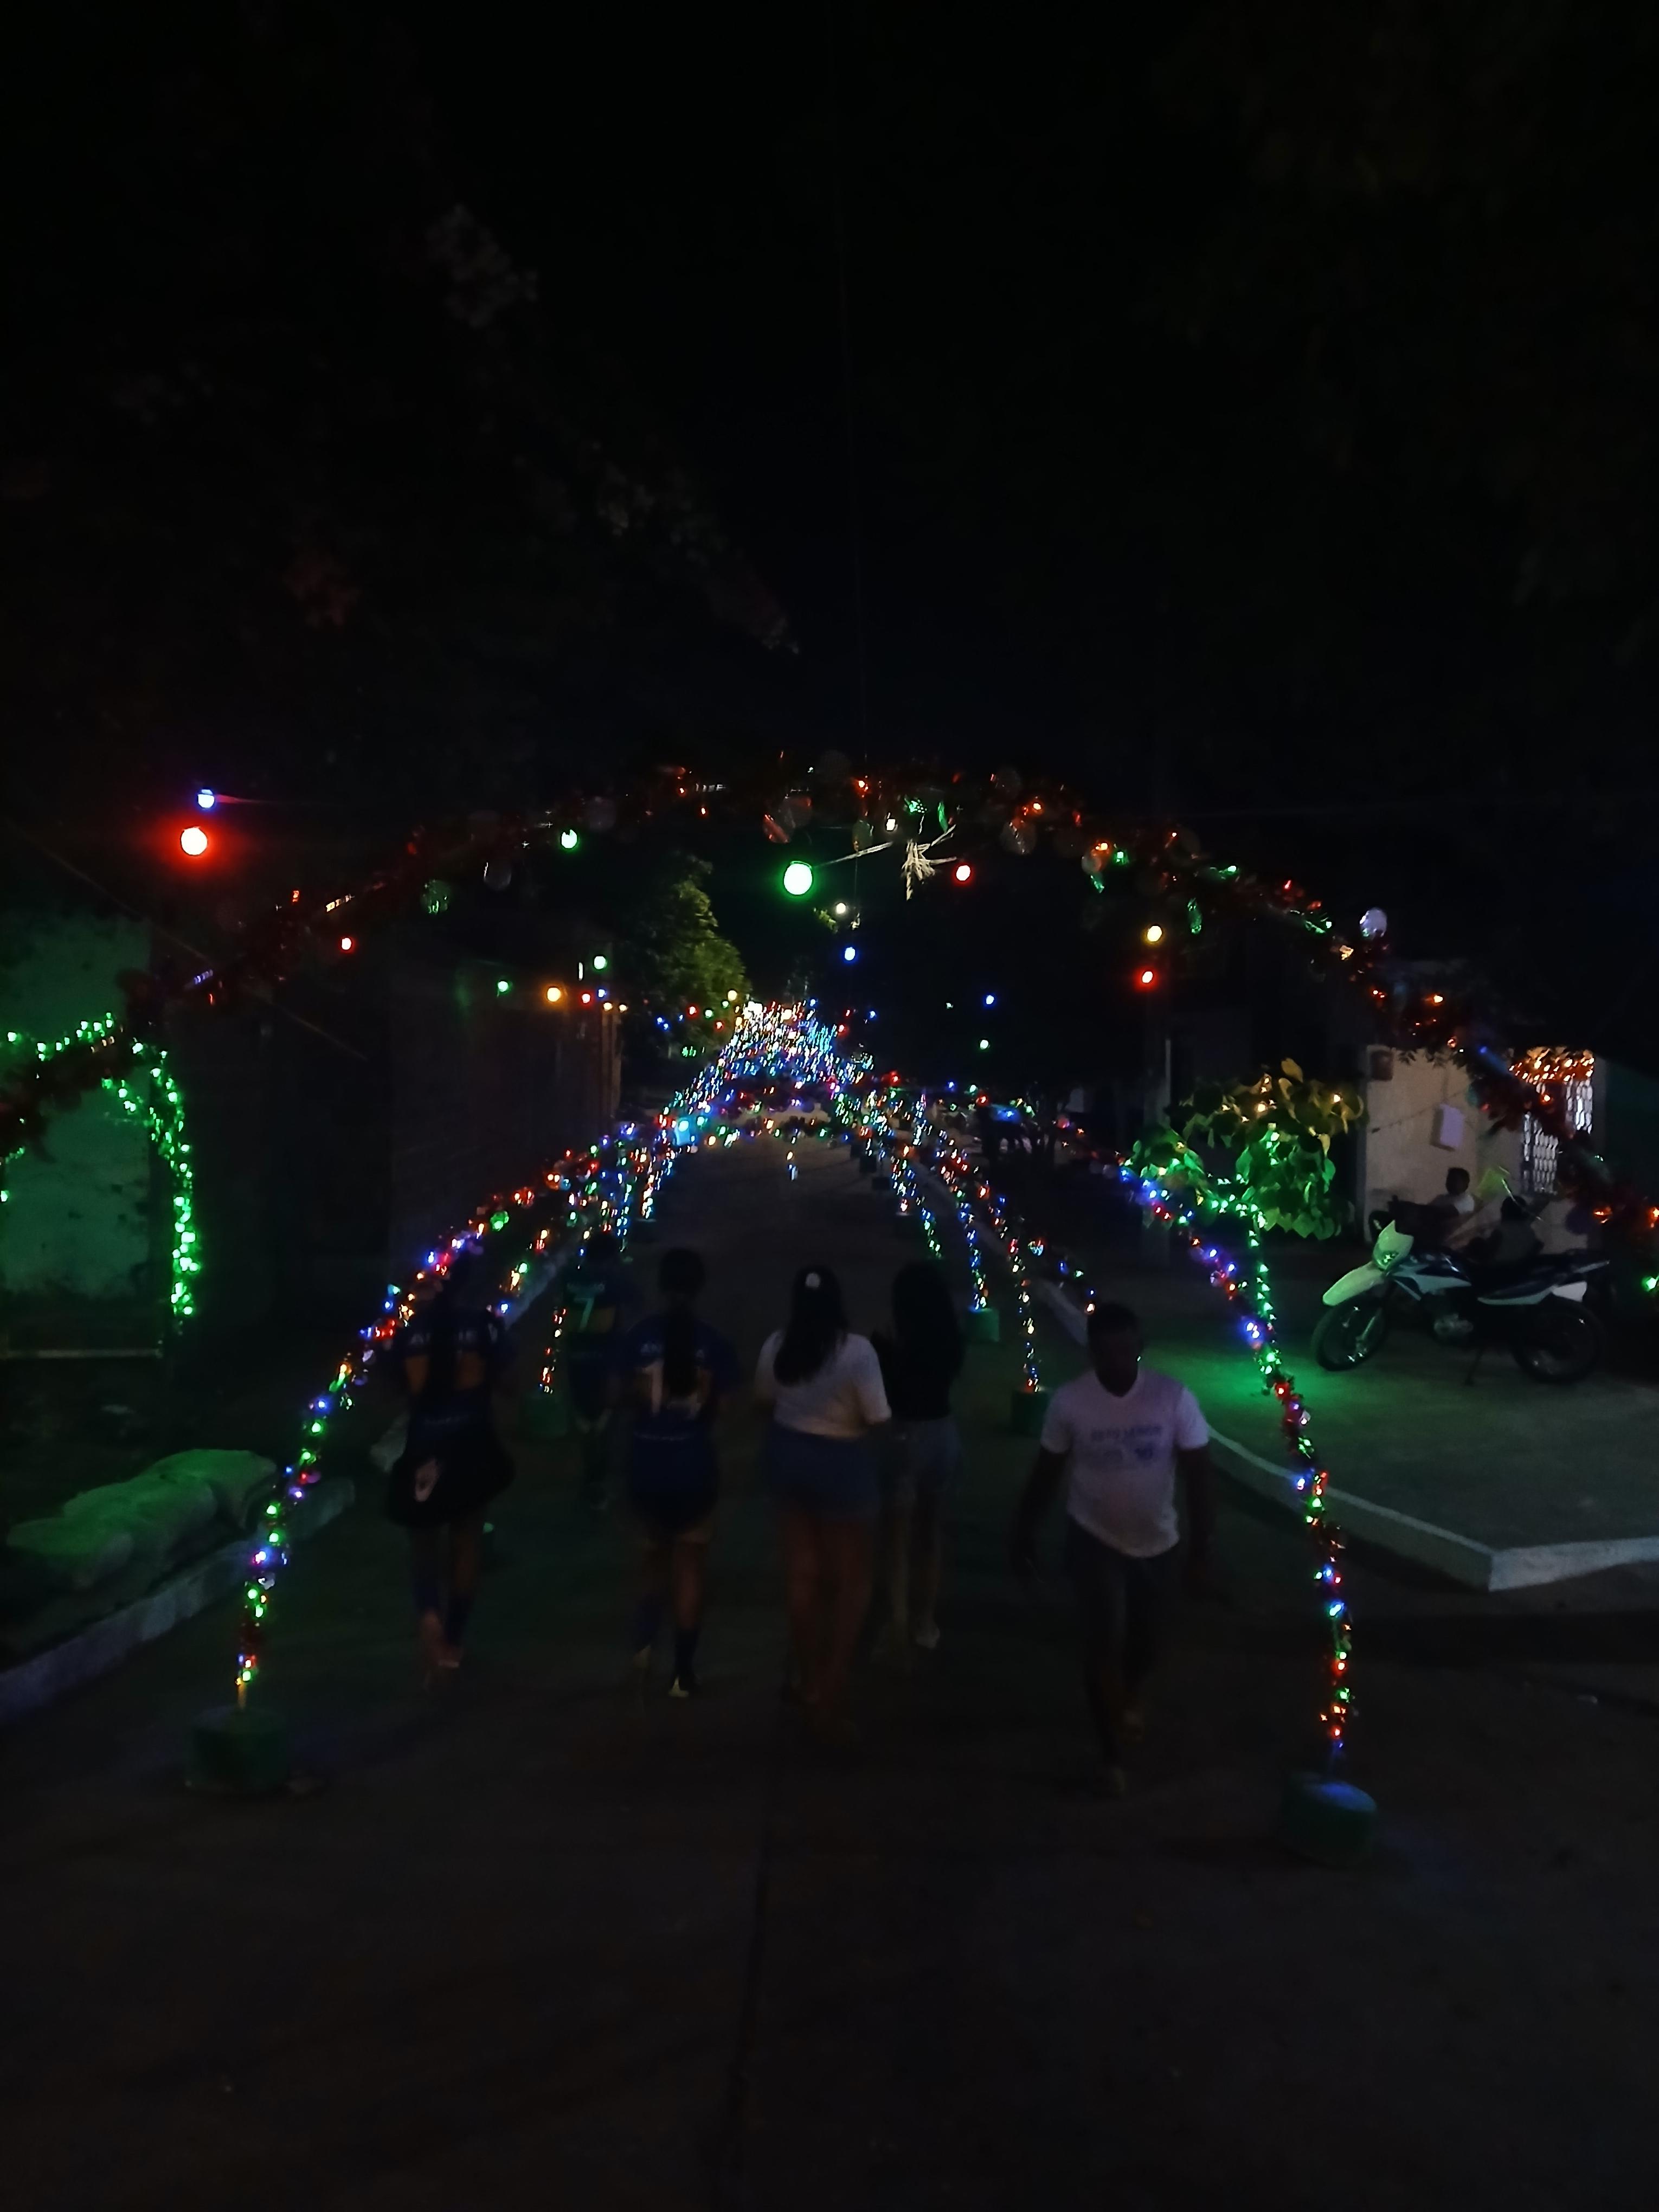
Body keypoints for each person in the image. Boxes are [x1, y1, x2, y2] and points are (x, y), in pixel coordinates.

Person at [1009, 1301, 1214, 1794]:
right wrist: (1024, 1531)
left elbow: (1200, 1477)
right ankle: (1111, 1754)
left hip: (1159, 1543)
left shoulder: (1172, 1398)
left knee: (1147, 1643)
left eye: (1127, 1351)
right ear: (1092, 1353)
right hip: (1093, 1538)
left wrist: (1201, 1551)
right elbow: (1047, 1471)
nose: (1118, 1362)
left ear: (1141, 1348)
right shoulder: (1071, 1402)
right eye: (1107, 1353)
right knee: (1103, 1640)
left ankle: (1125, 1696)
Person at [755, 1265, 890, 1745]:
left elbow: (762, 1401)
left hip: (787, 1457)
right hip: (840, 1465)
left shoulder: (778, 1345)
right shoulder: (857, 1352)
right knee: (852, 1582)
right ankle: (831, 1691)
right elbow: (877, 1416)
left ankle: (809, 1679)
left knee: (802, 1576)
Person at [609, 1247, 741, 1698]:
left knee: (650, 1564)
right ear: (699, 1287)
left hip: (646, 1464)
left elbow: (614, 1395)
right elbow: (726, 1407)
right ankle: (683, 1674)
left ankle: (642, 1652)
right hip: (692, 1467)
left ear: (662, 1286)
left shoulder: (639, 1337)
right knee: (689, 1569)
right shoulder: (714, 1342)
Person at [385, 1245, 515, 1680]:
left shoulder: (409, 1333)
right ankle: (454, 1639)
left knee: (422, 1544)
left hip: (425, 1449)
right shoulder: (485, 1328)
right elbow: (510, 1384)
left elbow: (394, 1389)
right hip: (473, 1447)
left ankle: (428, 1615)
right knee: (467, 1541)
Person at [871, 1261, 964, 1653]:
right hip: (943, 1434)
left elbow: (889, 1392)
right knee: (929, 1533)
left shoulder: (892, 1345)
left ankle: (897, 1621)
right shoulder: (950, 1341)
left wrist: (885, 1349)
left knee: (896, 1537)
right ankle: (925, 1622)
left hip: (905, 1436)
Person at [561, 1230, 633, 1508]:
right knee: (607, 1421)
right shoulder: (616, 1280)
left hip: (576, 1359)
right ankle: (599, 1483)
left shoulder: (569, 1278)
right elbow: (628, 1315)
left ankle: (590, 1478)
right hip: (606, 1361)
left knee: (584, 1420)